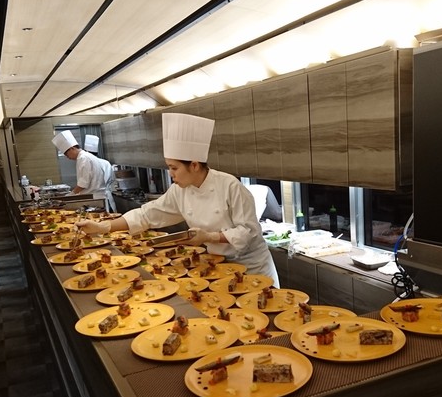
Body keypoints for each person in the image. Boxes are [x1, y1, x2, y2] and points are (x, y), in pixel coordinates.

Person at [75, 113, 280, 287]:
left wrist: (209, 236)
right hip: (218, 264)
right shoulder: (179, 190)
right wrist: (103, 227)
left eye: (174, 168)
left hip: (252, 266)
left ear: (194, 165)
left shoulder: (230, 186)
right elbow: (147, 214)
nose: (171, 174)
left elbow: (248, 231)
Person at [51, 130, 116, 212]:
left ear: (72, 148)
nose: (68, 158)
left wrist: (70, 195)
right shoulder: (85, 157)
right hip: (96, 198)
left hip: (93, 200)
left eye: (67, 154)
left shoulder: (83, 158)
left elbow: (83, 184)